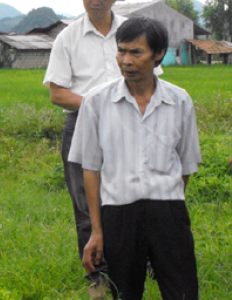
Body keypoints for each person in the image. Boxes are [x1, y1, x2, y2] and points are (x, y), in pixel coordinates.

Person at [69, 17, 201, 300]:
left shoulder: (179, 101)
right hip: (119, 215)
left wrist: (165, 211)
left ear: (158, 55)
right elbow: (90, 169)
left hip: (169, 214)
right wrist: (97, 231)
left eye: (136, 52)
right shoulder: (96, 102)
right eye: (121, 51)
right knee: (125, 293)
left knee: (183, 292)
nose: (125, 60)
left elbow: (186, 165)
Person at [43, 0, 127, 296]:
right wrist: (101, 105)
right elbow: (57, 93)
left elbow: (151, 79)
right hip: (81, 125)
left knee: (133, 192)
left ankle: (137, 262)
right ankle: (98, 275)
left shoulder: (130, 30)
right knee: (85, 201)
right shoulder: (68, 37)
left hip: (131, 122)